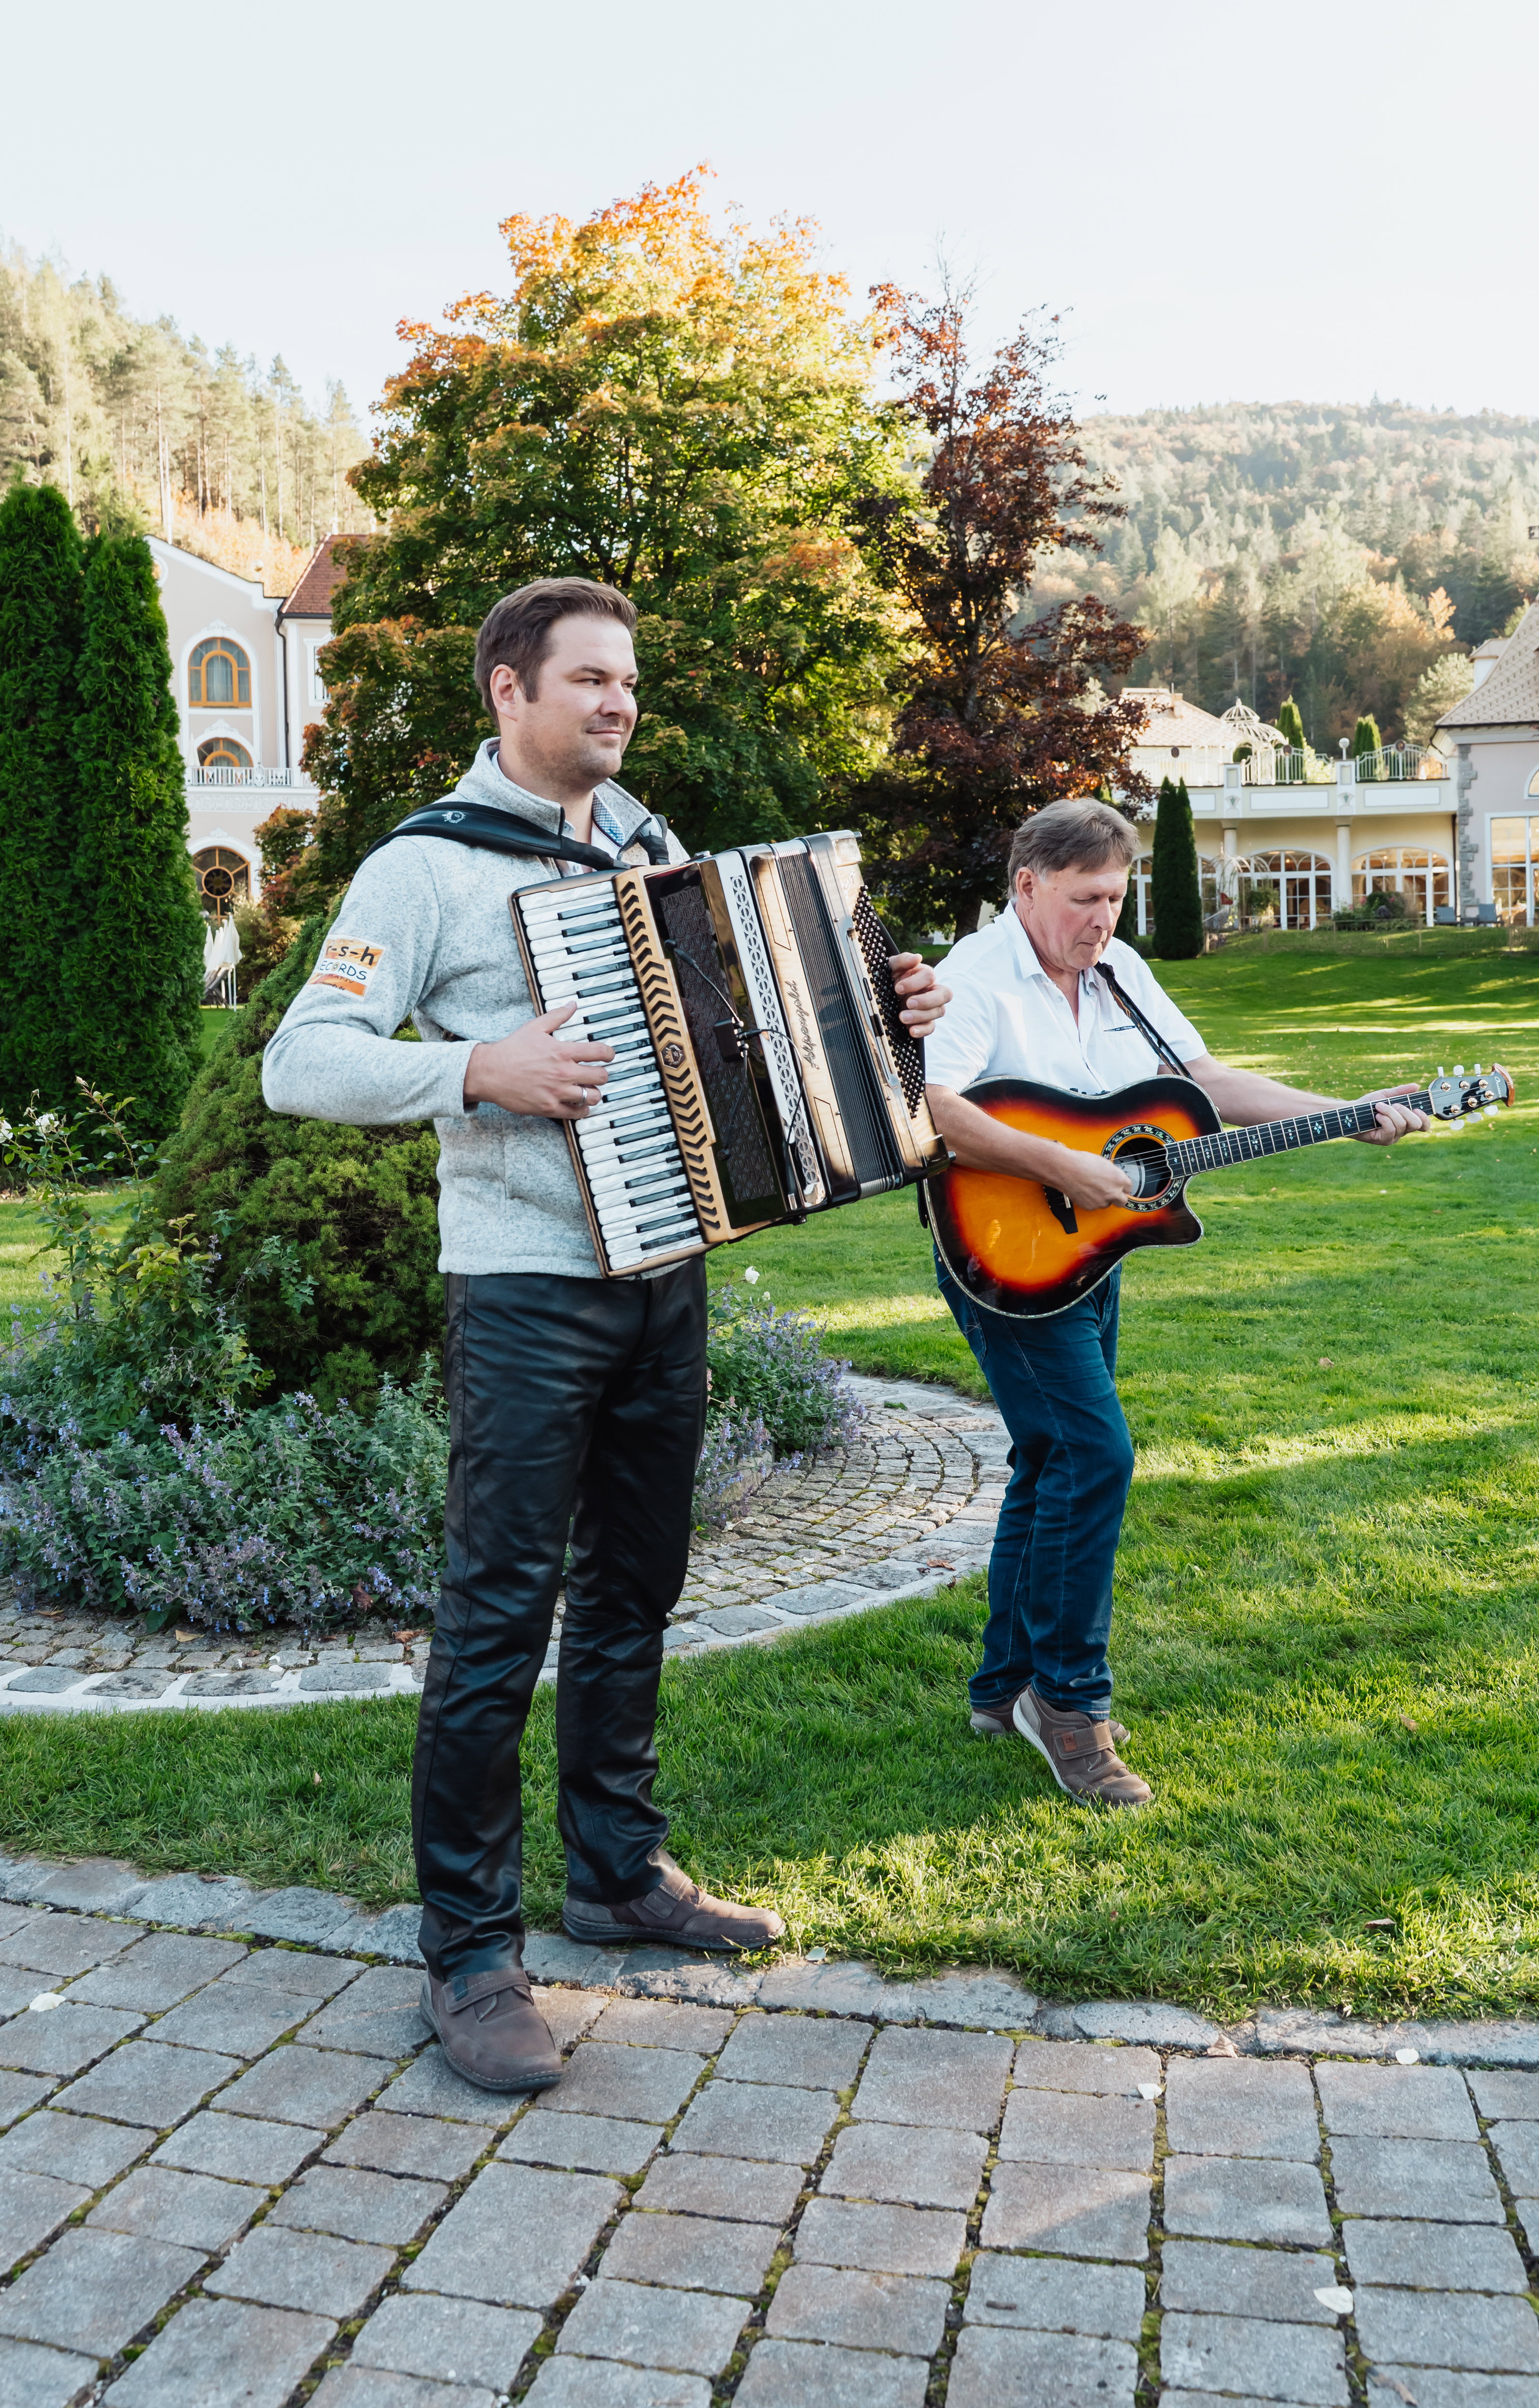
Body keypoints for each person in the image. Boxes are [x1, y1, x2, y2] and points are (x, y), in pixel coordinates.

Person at [263, 576, 948, 2094]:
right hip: (522, 1287)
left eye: (626, 680)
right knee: (499, 1608)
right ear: (507, 690)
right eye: (586, 679)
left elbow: (760, 1019)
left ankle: (618, 1871)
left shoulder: (651, 848)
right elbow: (299, 1062)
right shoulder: (423, 871)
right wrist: (475, 1068)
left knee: (636, 1580)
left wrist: (885, 1002)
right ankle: (468, 1951)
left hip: (667, 1269)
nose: (616, 702)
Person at [923, 798, 1427, 1809]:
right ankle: (1068, 1705)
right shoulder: (970, 978)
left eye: (1114, 896)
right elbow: (934, 1110)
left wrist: (1341, 1117)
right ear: (1026, 887)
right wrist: (1065, 1165)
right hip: (1002, 1254)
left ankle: (1002, 1687)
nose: (1100, 918)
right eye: (1082, 899)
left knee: (1049, 1457)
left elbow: (1200, 1081)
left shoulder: (1117, 970)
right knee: (1094, 1454)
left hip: (1089, 1252)